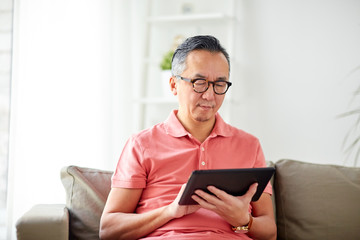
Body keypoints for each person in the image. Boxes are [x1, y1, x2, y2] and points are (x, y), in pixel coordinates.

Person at [99, 35, 277, 240]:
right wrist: (170, 211)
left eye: (219, 84)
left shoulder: (249, 145)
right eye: (199, 82)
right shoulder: (141, 144)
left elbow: (270, 233)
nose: (210, 96)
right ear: (174, 85)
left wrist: (243, 221)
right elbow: (109, 230)